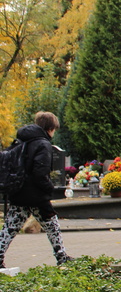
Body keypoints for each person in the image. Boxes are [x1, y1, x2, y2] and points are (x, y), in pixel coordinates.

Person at [0, 112, 73, 269]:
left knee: (10, 227)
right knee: (52, 225)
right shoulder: (43, 144)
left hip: (19, 191)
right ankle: (62, 257)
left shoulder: (21, 141)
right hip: (36, 194)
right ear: (50, 128)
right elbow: (40, 173)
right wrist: (50, 189)